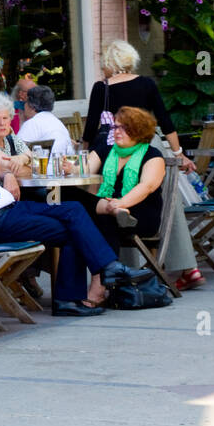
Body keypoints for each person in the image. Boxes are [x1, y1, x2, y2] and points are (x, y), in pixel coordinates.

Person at [0, 110, 145, 317]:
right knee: (75, 230)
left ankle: (101, 274)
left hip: (14, 209)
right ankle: (91, 282)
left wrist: (8, 175)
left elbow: (1, 169)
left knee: (75, 209)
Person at [81, 39, 200, 289]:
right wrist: (178, 152)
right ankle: (187, 265)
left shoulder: (101, 88)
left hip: (110, 149)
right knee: (166, 200)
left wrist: (84, 152)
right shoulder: (145, 83)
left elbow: (92, 126)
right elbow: (165, 119)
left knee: (111, 196)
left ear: (109, 63)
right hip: (149, 145)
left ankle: (125, 268)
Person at [68, 107, 166, 305]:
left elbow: (146, 187)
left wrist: (120, 204)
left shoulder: (152, 155)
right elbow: (81, 171)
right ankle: (107, 209)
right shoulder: (106, 150)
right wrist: (69, 169)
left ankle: (98, 288)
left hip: (139, 214)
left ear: (139, 131)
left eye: (124, 128)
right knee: (68, 196)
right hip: (108, 209)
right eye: (115, 126)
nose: (116, 131)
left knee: (103, 219)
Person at [16, 85, 74, 158]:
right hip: (61, 166)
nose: (24, 106)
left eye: (26, 102)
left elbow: (15, 152)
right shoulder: (56, 121)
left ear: (32, 106)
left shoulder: (33, 123)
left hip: (43, 167)